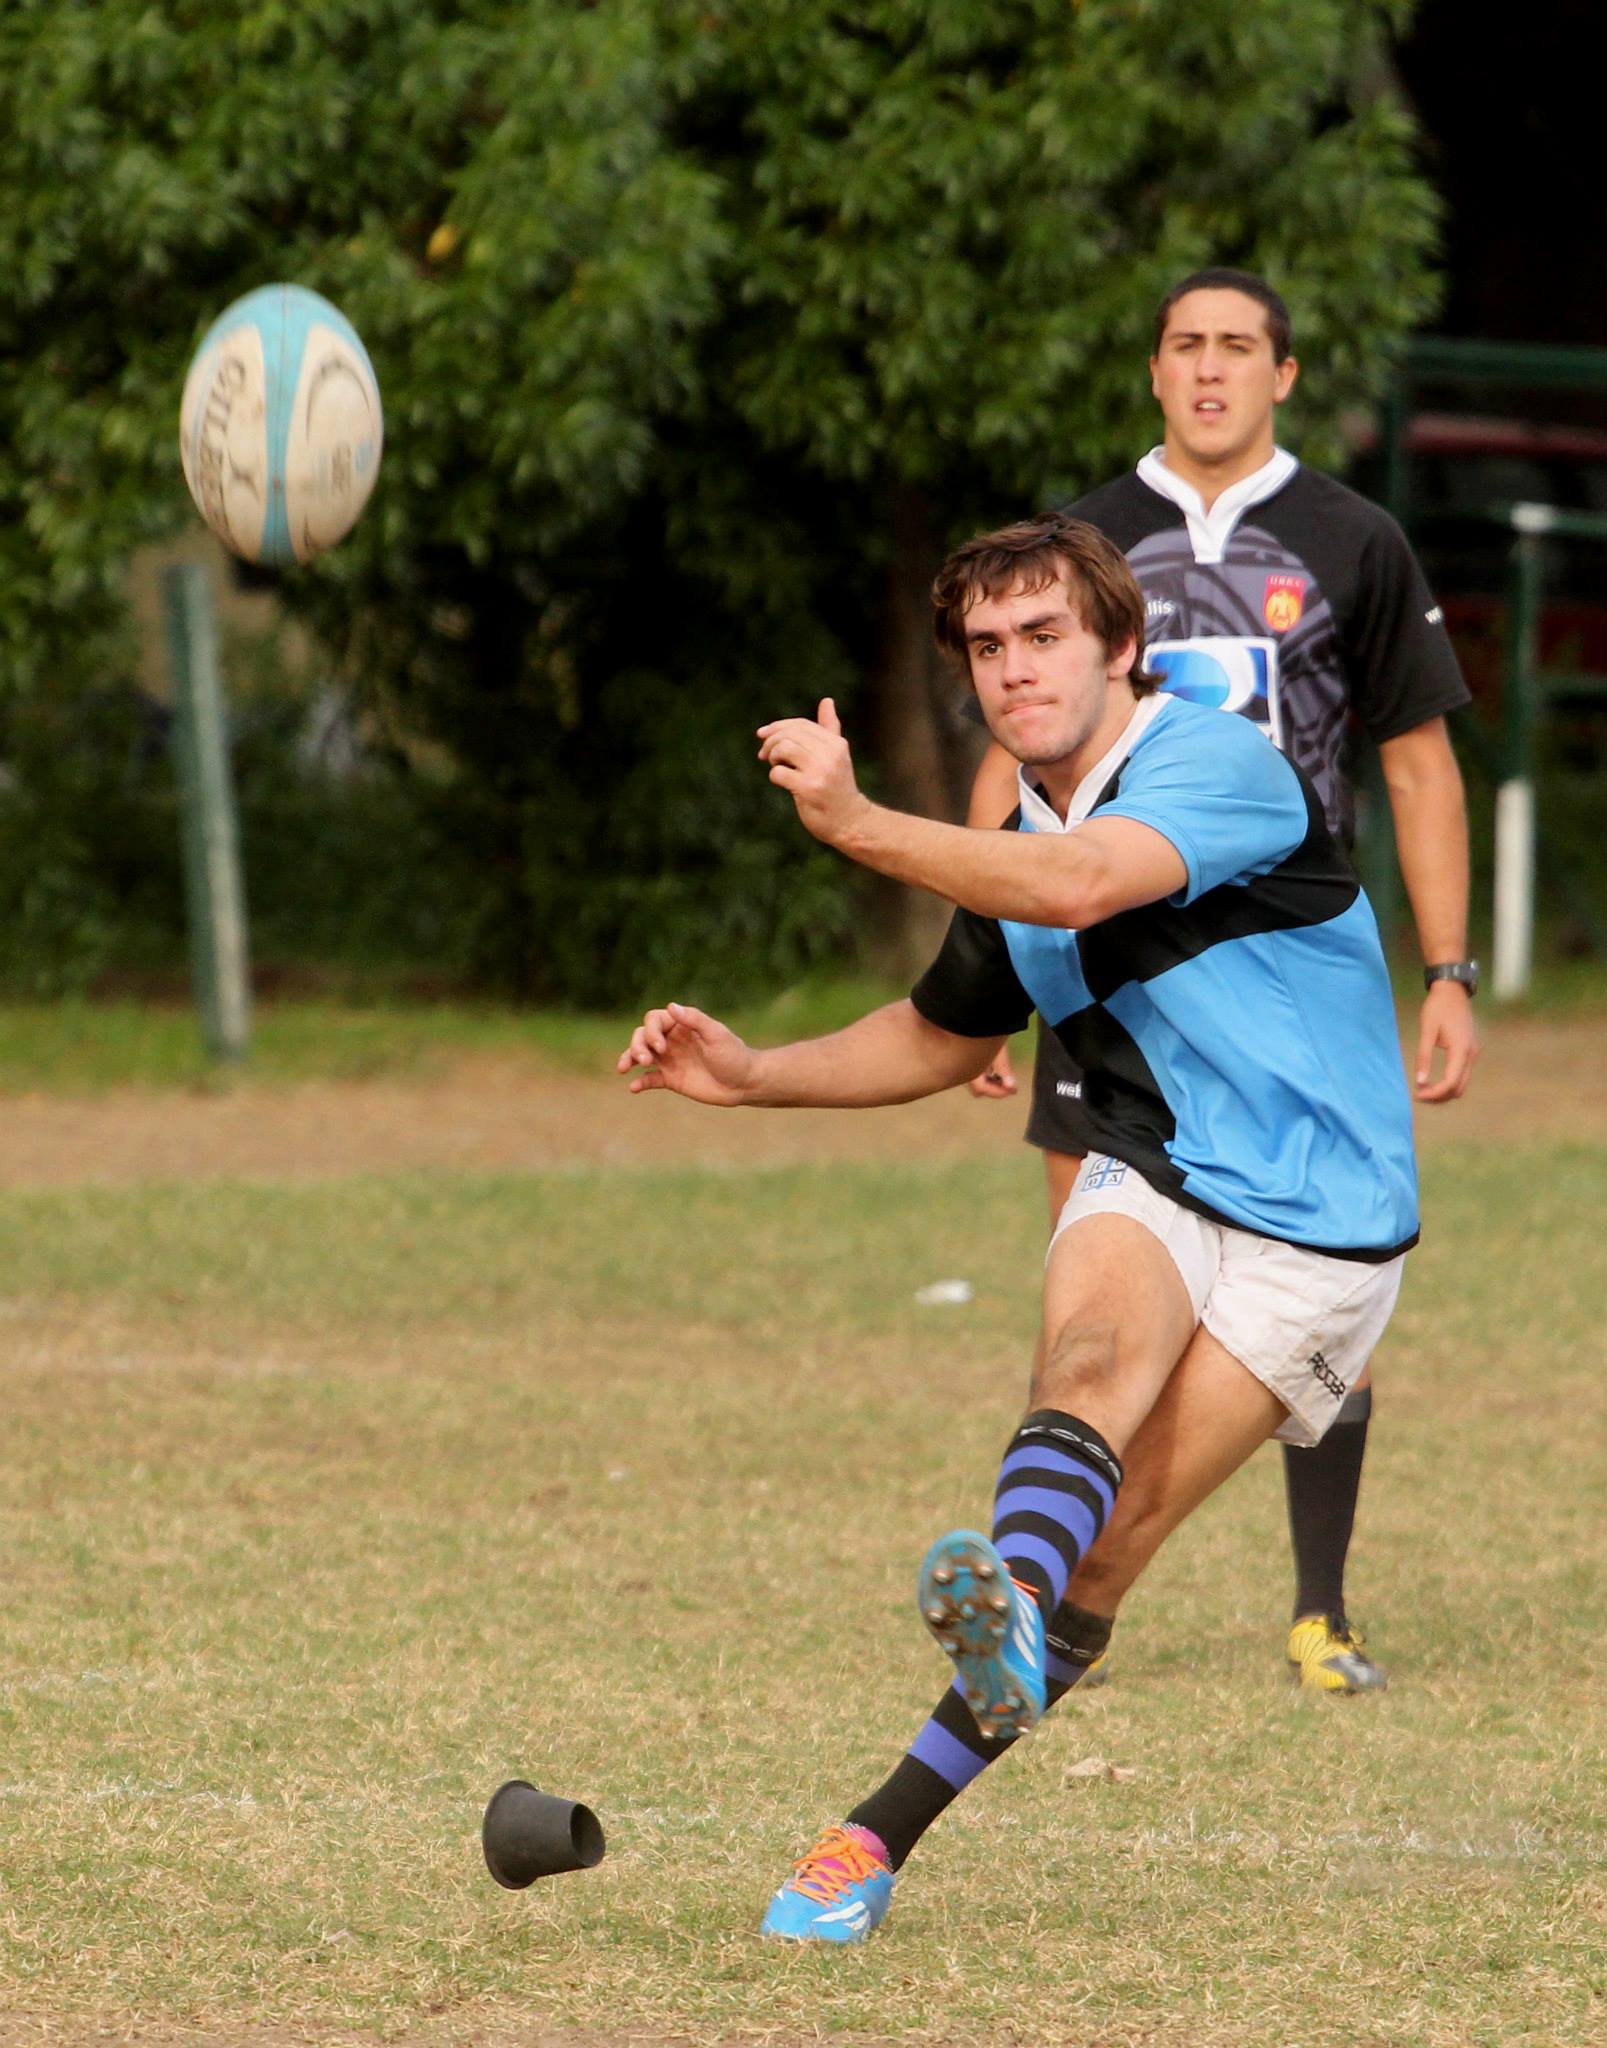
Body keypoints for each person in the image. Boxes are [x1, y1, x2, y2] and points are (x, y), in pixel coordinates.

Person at [619, 511, 1420, 1944]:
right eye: (986, 647)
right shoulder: (1019, 845)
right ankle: (895, 1789)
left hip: (1324, 1225)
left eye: (1044, 635)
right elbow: (938, 1034)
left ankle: (917, 1778)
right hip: (1159, 1164)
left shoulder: (1214, 761)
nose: (1014, 669)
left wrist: (861, 826)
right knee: (1090, 1357)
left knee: (1112, 1556)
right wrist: (748, 1078)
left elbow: (1084, 882)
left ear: (1122, 648)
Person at [967, 269, 1477, 1693]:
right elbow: (1013, 776)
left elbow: (1418, 760)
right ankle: (1061, 1588)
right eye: (1186, 346)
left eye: (1237, 348)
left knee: (1303, 1273)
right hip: (1107, 978)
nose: (1210, 371)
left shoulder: (1352, 538)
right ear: (1152, 372)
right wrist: (995, 966)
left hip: (1278, 983)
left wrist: (1448, 969)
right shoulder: (1083, 539)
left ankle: (1320, 1605)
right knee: (1101, 1281)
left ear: (1285, 375)